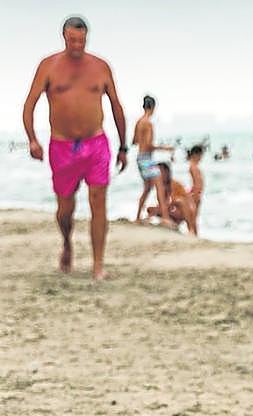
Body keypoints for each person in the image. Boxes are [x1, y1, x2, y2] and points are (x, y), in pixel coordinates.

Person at [21, 15, 129, 279]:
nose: (77, 45)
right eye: (72, 40)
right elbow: (29, 105)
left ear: (86, 38)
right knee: (65, 209)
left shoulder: (101, 67)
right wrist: (32, 139)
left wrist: (124, 146)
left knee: (98, 201)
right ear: (64, 38)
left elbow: (116, 106)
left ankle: (98, 265)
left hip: (96, 144)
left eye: (81, 40)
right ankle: (67, 242)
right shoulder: (48, 66)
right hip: (62, 146)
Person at [132, 95, 174, 225]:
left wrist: (143, 141)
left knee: (147, 188)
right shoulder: (148, 123)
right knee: (159, 186)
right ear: (153, 107)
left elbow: (134, 141)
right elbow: (149, 145)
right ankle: (166, 218)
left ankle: (138, 216)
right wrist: (165, 148)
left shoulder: (139, 122)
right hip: (146, 158)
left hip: (140, 158)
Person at [145, 163, 197, 236]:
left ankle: (190, 229)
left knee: (179, 201)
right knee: (150, 209)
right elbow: (162, 202)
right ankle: (164, 224)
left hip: (181, 210)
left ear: (167, 172)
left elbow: (178, 200)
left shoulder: (173, 184)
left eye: (160, 172)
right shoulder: (160, 185)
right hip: (171, 209)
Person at [186, 144, 205, 222]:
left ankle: (193, 231)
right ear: (195, 154)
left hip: (197, 193)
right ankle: (193, 231)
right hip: (196, 193)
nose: (201, 158)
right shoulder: (193, 166)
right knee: (193, 216)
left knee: (194, 216)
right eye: (200, 156)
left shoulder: (194, 166)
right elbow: (196, 182)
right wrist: (196, 194)